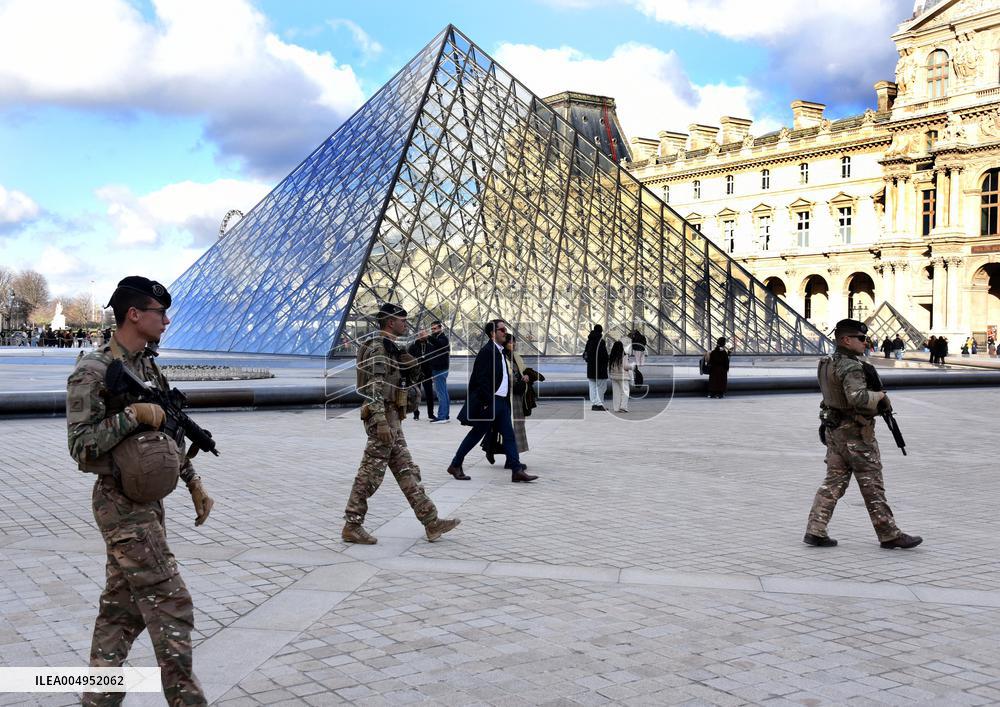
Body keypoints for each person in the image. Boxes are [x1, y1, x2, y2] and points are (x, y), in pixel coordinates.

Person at [66, 276, 215, 706]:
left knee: (121, 610)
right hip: (120, 506)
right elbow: (80, 447)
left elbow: (167, 428)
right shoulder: (92, 371)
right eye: (159, 313)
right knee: (172, 603)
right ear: (135, 314)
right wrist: (131, 415)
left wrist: (192, 481)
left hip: (148, 504)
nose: (166, 321)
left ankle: (98, 699)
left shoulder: (147, 366)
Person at [344, 303, 460, 545]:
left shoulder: (392, 348)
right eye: (402, 321)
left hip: (393, 419)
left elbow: (409, 379)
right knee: (370, 474)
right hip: (383, 420)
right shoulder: (378, 348)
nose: (406, 325)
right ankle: (352, 525)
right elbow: (374, 389)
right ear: (390, 322)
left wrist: (411, 362)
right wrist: (381, 423)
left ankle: (431, 521)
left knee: (407, 470)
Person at [804, 318, 922, 550]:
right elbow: (858, 399)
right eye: (861, 338)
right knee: (872, 484)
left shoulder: (827, 362)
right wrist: (879, 396)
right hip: (856, 434)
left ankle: (815, 529)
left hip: (834, 430)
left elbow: (831, 395)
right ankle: (889, 534)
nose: (864, 342)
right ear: (846, 340)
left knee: (833, 482)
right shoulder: (851, 366)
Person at [448, 319, 537, 483]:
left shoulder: (501, 351)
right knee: (477, 434)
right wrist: (487, 401)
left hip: (502, 402)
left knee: (509, 436)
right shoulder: (487, 352)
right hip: (491, 401)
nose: (506, 333)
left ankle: (516, 470)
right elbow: (481, 380)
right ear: (493, 334)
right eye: (502, 330)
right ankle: (455, 464)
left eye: (505, 329)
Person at [407, 329, 436, 421]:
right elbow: (409, 360)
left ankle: (431, 414)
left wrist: (433, 373)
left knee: (429, 394)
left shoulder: (430, 346)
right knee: (415, 394)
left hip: (427, 373)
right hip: (416, 373)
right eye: (420, 334)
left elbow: (433, 360)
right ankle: (416, 414)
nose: (422, 336)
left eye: (423, 334)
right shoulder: (413, 346)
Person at [427, 320, 451, 424]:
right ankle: (445, 415)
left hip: (440, 370)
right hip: (439, 369)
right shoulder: (438, 338)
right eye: (431, 329)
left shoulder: (443, 339)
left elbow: (439, 345)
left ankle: (442, 416)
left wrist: (428, 337)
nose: (433, 330)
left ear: (440, 328)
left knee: (441, 394)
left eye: (435, 328)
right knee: (444, 393)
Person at [583, 325, 609, 411]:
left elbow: (585, 355)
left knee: (593, 387)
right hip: (600, 369)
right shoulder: (601, 342)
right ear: (601, 331)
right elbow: (604, 356)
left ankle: (594, 404)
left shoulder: (589, 342)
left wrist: (590, 362)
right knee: (601, 387)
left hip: (591, 369)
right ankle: (599, 404)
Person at [608, 339, 634, 412]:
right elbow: (626, 367)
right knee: (625, 392)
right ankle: (623, 407)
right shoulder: (624, 356)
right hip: (623, 377)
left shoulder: (612, 357)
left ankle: (616, 408)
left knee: (616, 393)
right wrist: (632, 366)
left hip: (614, 377)